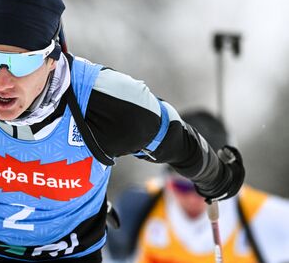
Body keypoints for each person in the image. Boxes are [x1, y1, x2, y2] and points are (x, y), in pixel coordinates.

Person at [0, 0, 245, 263]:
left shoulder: (108, 106)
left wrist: (217, 177)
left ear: (52, 58)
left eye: (21, 62)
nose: (1, 80)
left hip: (68, 254)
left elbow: (179, 144)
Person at [105, 109, 289, 263]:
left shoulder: (261, 215)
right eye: (182, 187)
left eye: (206, 188)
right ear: (167, 181)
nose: (194, 197)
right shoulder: (137, 207)